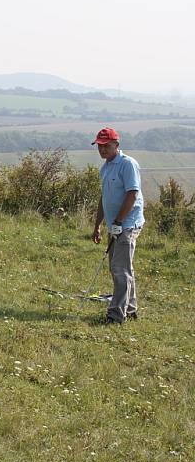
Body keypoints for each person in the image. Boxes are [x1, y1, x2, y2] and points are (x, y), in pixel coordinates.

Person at [90, 127, 144, 324]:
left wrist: (119, 222)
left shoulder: (127, 164)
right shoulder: (105, 167)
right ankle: (130, 309)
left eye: (106, 145)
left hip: (127, 224)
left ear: (116, 145)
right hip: (114, 225)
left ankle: (115, 316)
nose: (102, 149)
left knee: (120, 269)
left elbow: (132, 194)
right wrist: (98, 225)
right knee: (121, 267)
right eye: (99, 146)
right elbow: (105, 197)